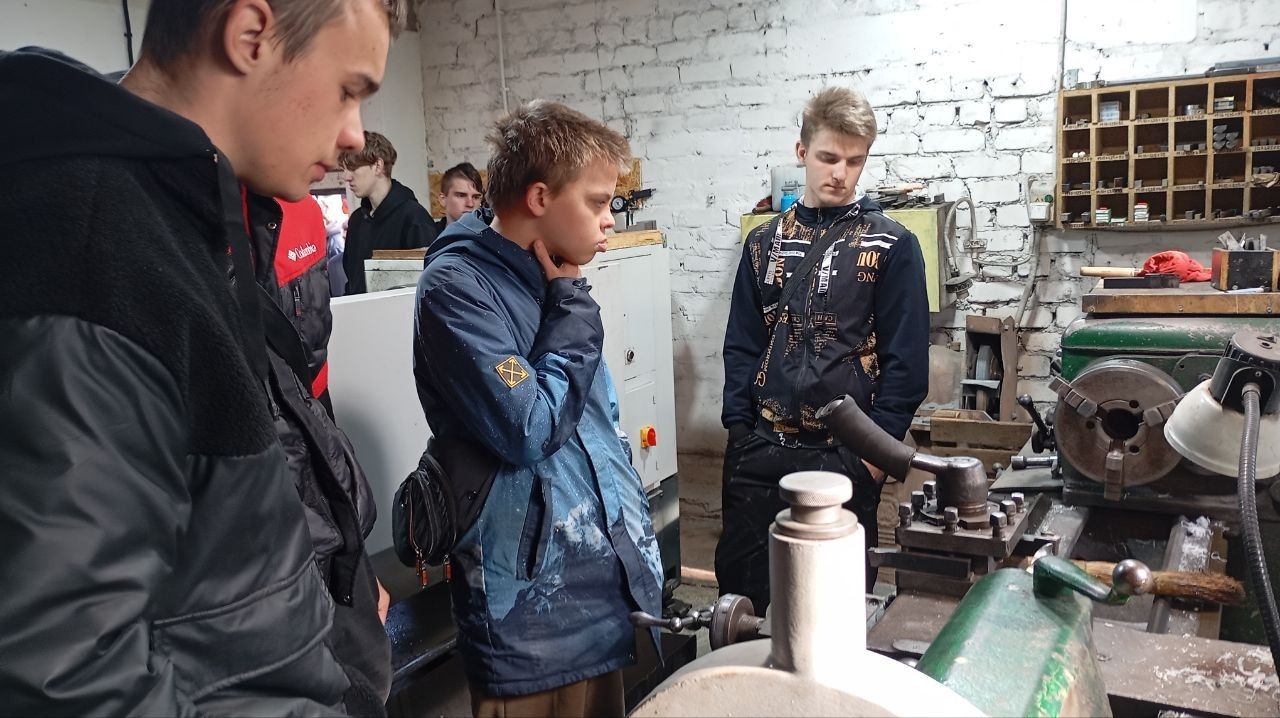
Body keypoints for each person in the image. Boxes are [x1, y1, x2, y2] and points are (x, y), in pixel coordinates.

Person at [0, 0, 402, 713]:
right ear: (250, 35)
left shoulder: (186, 217)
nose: (353, 134)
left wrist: (336, 574)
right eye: (349, 90)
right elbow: (68, 675)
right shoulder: (94, 245)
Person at [413, 100, 663, 717]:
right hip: (529, 620)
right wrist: (573, 310)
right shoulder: (458, 290)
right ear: (540, 197)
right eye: (598, 202)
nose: (609, 221)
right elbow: (530, 425)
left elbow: (596, 427)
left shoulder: (550, 276)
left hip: (598, 592)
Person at [717, 86, 930, 611]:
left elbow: (907, 368)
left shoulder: (892, 245)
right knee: (741, 605)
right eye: (828, 157)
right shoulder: (763, 244)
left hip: (844, 459)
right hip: (759, 449)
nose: (841, 173)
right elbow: (742, 344)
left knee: (834, 613)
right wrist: (739, 431)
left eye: (854, 161)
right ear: (802, 152)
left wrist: (871, 462)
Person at [254, 192, 392, 712]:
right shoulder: (161, 216)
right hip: (258, 556)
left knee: (369, 682)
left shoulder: (303, 211)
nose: (349, 152)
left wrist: (356, 560)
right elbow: (525, 421)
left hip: (328, 536)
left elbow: (315, 407)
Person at [341, 130, 436, 294]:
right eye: (344, 169)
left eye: (353, 168)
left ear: (378, 166)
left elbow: (429, 285)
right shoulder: (357, 220)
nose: (346, 176)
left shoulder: (414, 218)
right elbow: (352, 280)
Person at [436, 161, 485, 234]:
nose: (470, 204)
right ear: (443, 199)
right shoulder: (427, 236)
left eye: (476, 197)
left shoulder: (492, 237)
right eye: (461, 195)